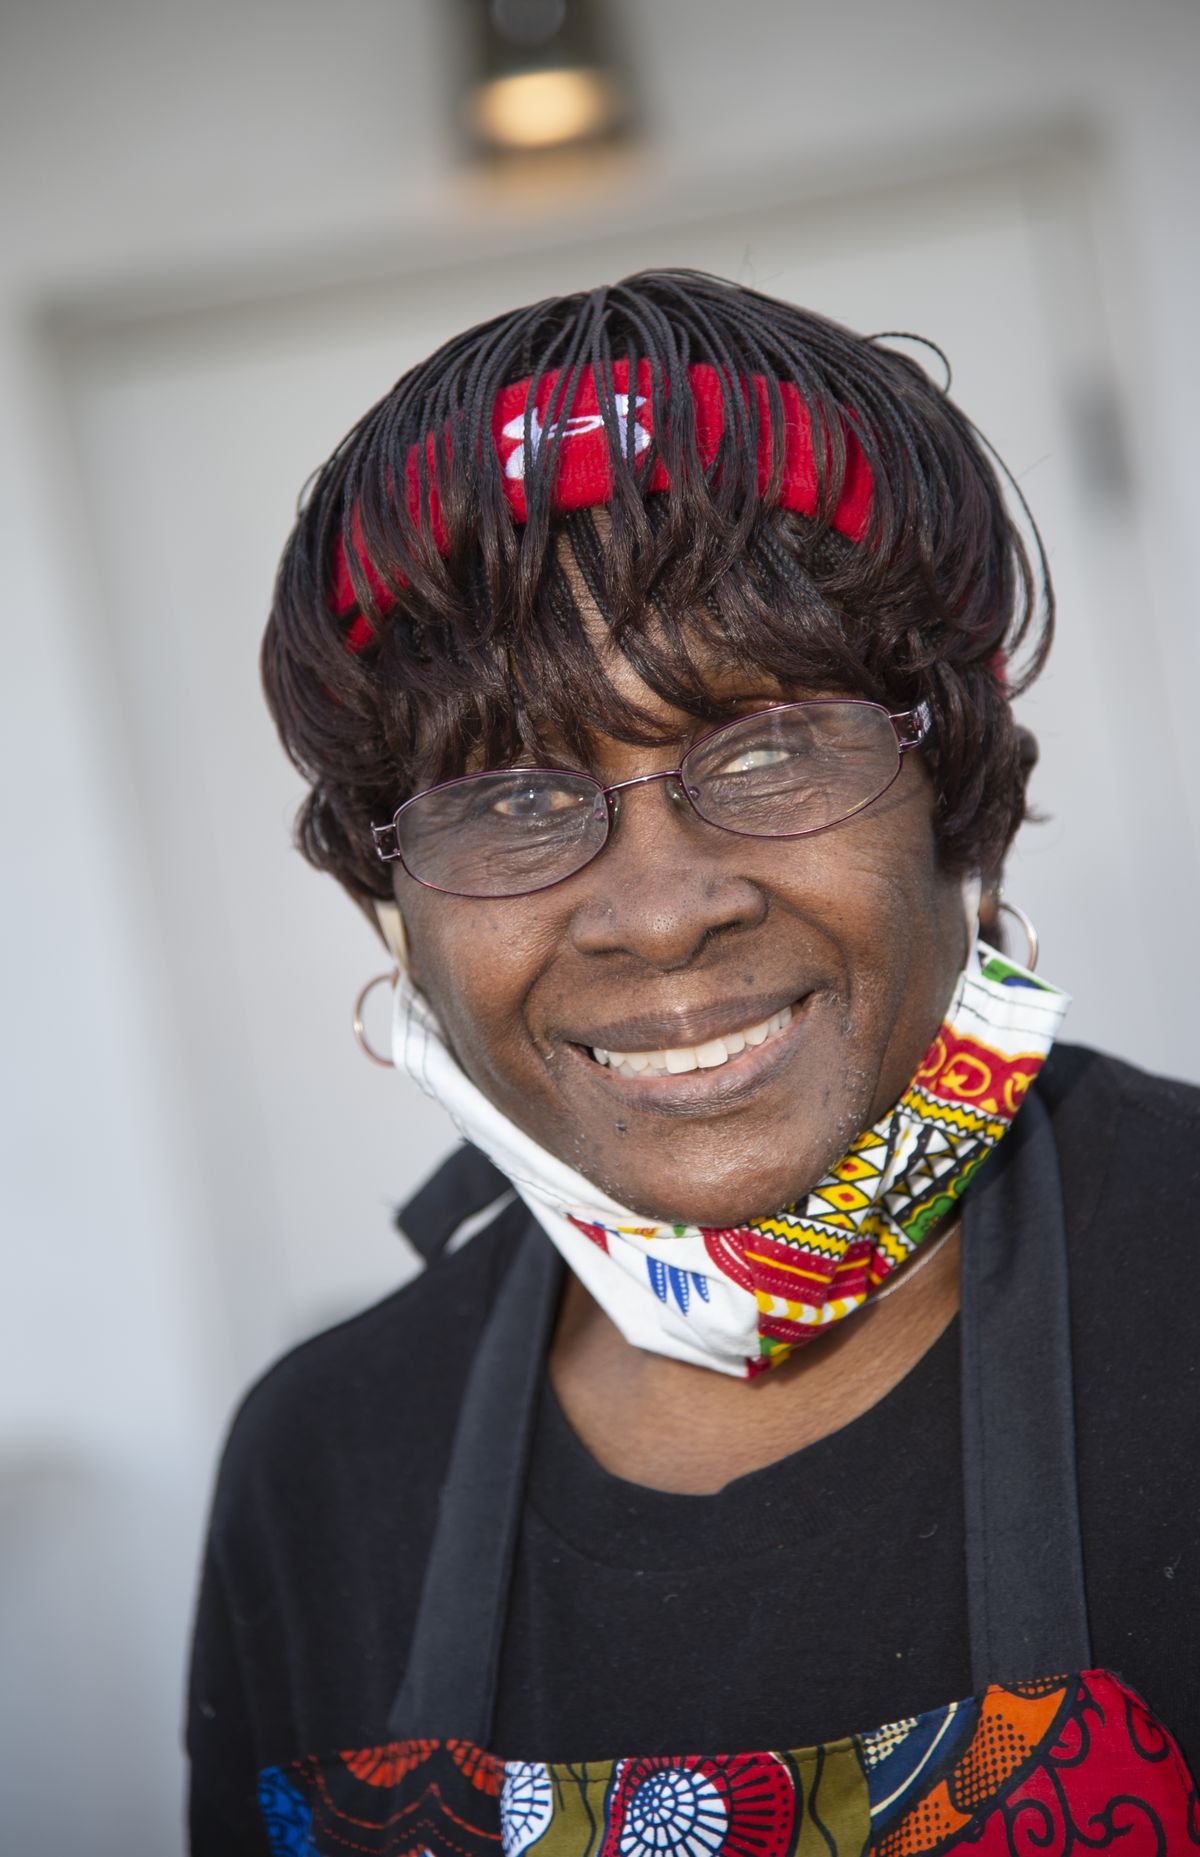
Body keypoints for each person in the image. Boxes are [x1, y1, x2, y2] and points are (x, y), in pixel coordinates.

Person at [187, 272, 1200, 1855]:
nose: (661, 913)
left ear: (962, 797)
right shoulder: (323, 1465)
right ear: (393, 908)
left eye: (769, 744)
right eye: (512, 799)